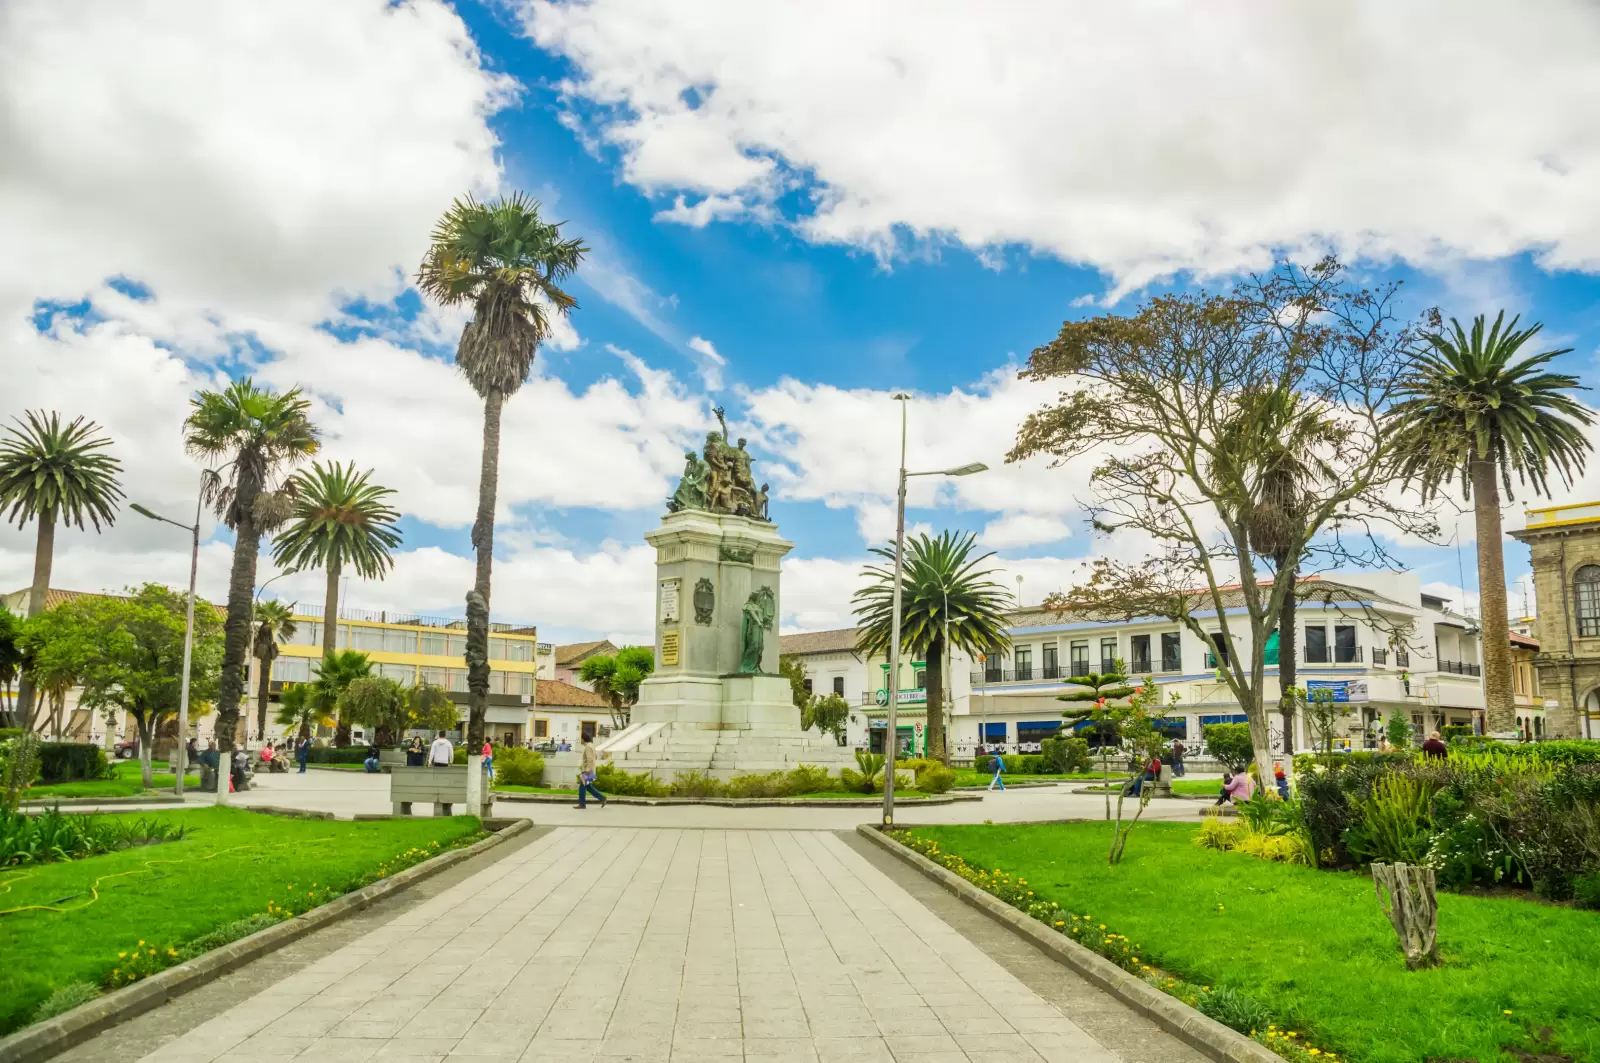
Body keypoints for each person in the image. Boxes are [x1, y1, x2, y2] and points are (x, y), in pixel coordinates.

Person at [575, 734, 608, 809]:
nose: (581, 740)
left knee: (582, 787)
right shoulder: (591, 745)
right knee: (588, 787)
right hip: (590, 770)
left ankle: (582, 804)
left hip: (588, 770)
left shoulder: (588, 747)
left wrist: (587, 771)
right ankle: (602, 798)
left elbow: (590, 759)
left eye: (581, 739)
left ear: (583, 739)